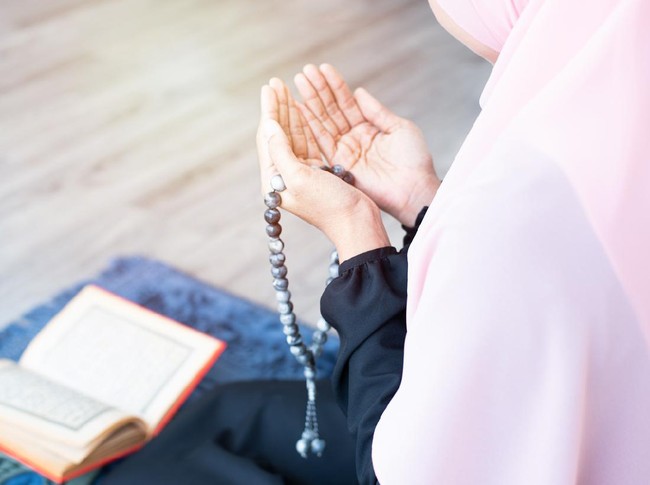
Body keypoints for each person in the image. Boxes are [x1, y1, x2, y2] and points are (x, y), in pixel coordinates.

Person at [103, 0, 650, 483]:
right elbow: (552, 298)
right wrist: (422, 201)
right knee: (231, 415)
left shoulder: (518, 201)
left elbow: (388, 470)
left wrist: (356, 236)